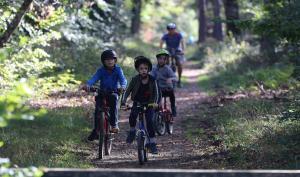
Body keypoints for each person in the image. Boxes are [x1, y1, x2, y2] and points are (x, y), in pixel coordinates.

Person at [82, 49, 127, 141]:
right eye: (107, 60)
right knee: (98, 110)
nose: (110, 61)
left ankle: (114, 124)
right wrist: (88, 85)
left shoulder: (118, 70)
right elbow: (93, 79)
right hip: (102, 92)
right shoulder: (101, 70)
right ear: (103, 61)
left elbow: (123, 80)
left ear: (115, 60)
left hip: (113, 92)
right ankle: (96, 130)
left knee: (114, 102)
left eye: (112, 59)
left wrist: (122, 86)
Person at [121, 56, 159, 154]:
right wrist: (124, 101)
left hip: (149, 103)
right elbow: (127, 91)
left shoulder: (152, 79)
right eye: (141, 69)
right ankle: (132, 131)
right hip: (137, 102)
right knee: (132, 116)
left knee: (150, 121)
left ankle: (152, 143)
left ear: (149, 69)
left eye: (146, 68)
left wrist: (155, 103)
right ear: (138, 70)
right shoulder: (135, 79)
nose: (143, 71)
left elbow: (156, 93)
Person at [151, 49, 177, 119]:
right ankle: (156, 113)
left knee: (172, 94)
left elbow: (175, 78)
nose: (162, 60)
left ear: (166, 60)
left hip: (166, 89)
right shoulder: (154, 68)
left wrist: (170, 79)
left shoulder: (168, 69)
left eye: (164, 59)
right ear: (157, 59)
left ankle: (173, 107)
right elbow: (151, 77)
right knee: (154, 99)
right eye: (160, 58)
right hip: (158, 90)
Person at [159, 22, 185, 88]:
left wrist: (183, 50)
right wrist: (161, 50)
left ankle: (179, 80)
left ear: (175, 29)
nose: (171, 30)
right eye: (170, 29)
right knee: (165, 63)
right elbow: (161, 42)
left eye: (173, 29)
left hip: (177, 49)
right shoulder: (166, 35)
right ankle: (165, 79)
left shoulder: (178, 35)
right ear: (168, 30)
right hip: (168, 49)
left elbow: (182, 42)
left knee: (179, 64)